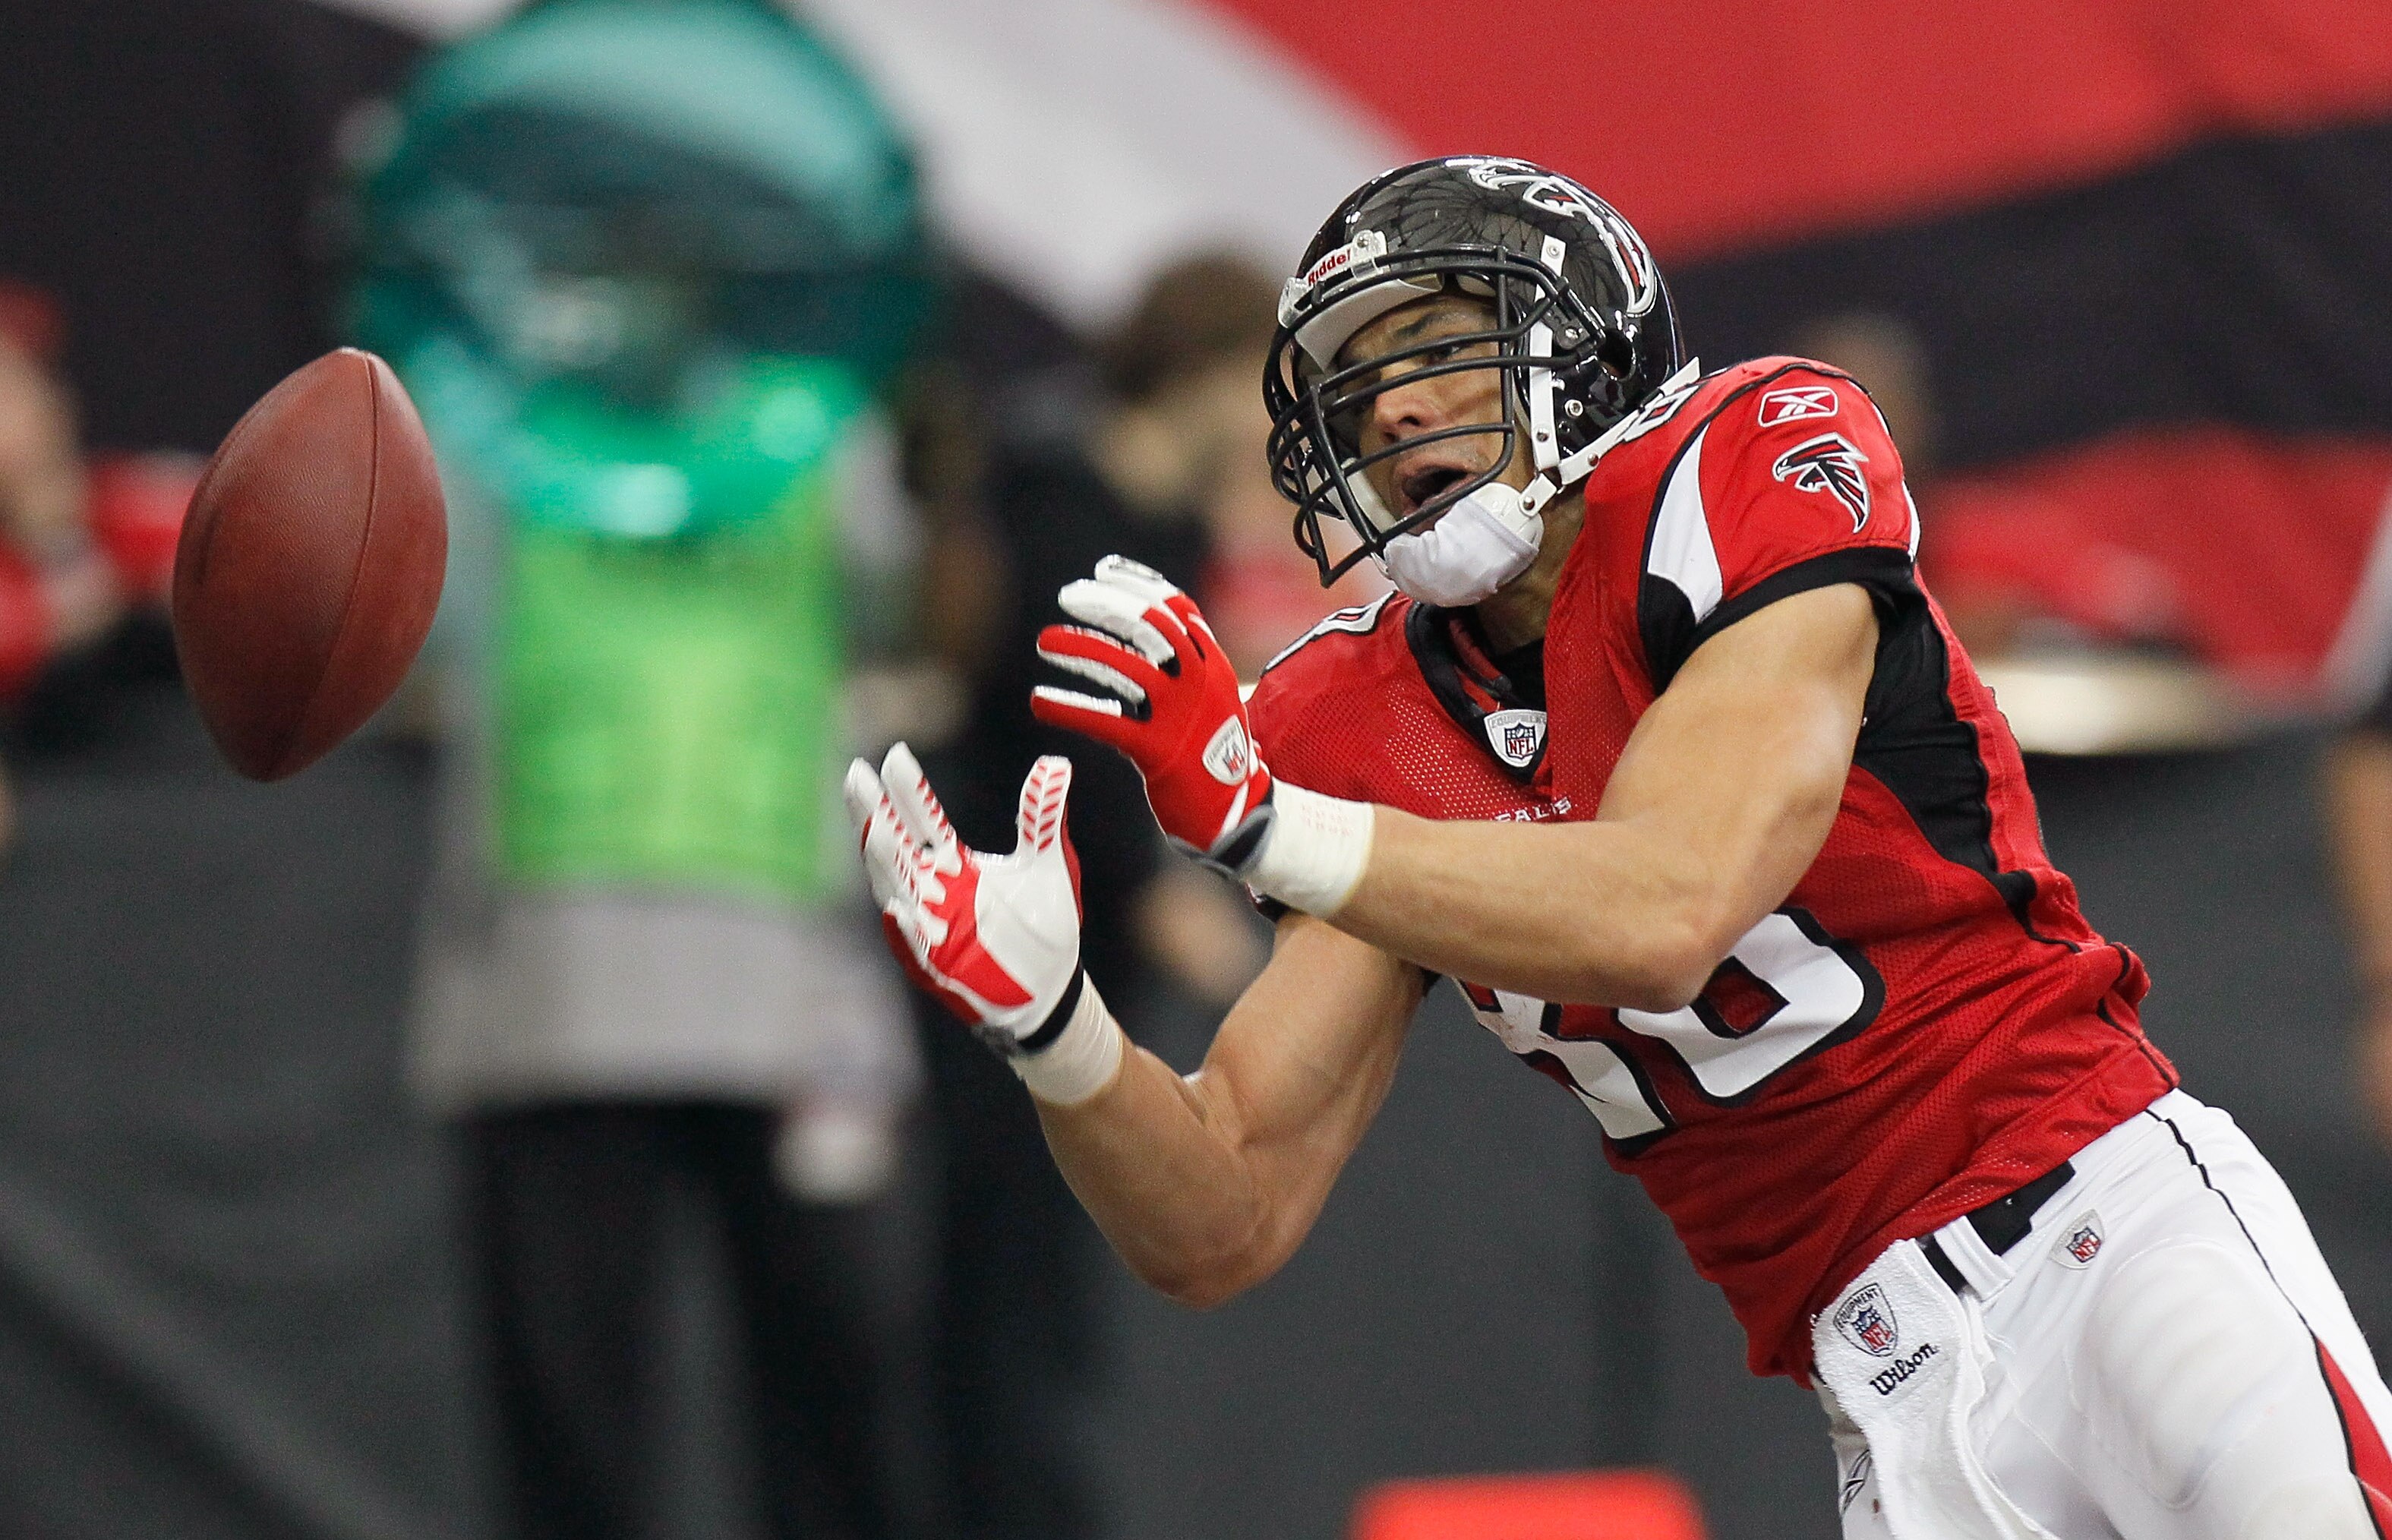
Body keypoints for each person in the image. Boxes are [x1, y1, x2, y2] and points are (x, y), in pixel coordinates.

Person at [848, 157, 2392, 1539]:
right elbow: (1222, 1213)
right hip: (1885, 1378)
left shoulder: (1743, 468)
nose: (1388, 414)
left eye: (1428, 350)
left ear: (1580, 347)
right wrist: (1059, 1037)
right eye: (1353, 390)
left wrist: (1264, 821)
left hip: (2111, 1232)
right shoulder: (1359, 722)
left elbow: (1672, 903)